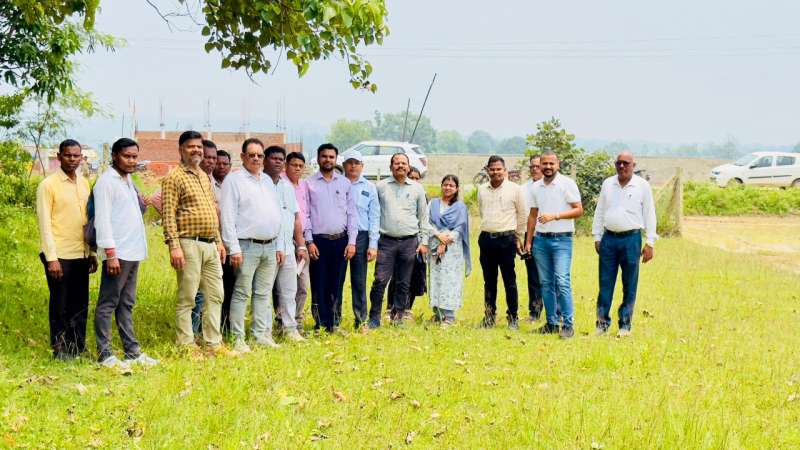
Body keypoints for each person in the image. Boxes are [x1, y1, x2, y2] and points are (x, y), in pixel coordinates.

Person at [161, 130, 233, 358]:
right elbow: (168, 215)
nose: (196, 150)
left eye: (199, 147)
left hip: (210, 244)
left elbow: (212, 210)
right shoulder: (174, 177)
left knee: (215, 295)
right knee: (188, 297)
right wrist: (174, 246)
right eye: (191, 146)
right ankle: (186, 344)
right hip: (188, 244)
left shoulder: (203, 176)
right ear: (181, 149)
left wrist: (219, 242)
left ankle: (213, 343)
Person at [92, 138, 158, 368]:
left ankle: (132, 352)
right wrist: (110, 254)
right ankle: (105, 355)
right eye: (126, 156)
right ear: (114, 156)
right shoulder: (106, 182)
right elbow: (102, 221)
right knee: (108, 303)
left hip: (133, 251)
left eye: (134, 157)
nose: (131, 161)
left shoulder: (128, 180)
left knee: (126, 303)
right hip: (117, 253)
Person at [220, 138, 285, 352]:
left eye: (259, 155)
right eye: (252, 155)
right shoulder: (234, 180)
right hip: (246, 246)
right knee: (242, 293)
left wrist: (279, 246)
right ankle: (238, 339)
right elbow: (227, 217)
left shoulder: (266, 180)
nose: (256, 158)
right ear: (242, 157)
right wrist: (233, 248)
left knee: (263, 293)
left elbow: (277, 214)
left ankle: (260, 335)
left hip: (270, 245)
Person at [36, 139, 98, 360]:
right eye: (68, 155)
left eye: (76, 155)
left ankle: (77, 347)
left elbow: (88, 221)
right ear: (59, 156)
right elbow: (44, 224)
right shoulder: (48, 185)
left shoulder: (84, 183)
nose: (72, 159)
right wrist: (51, 259)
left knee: (80, 304)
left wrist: (92, 252)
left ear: (82, 158)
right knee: (60, 304)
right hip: (59, 255)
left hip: (81, 253)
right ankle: (60, 348)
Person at [592, 151, 657, 337]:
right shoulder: (608, 184)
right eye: (618, 163)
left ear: (633, 165)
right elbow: (600, 210)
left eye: (626, 163)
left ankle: (625, 325)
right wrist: (597, 236)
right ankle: (602, 324)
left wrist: (650, 242)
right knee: (605, 283)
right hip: (609, 239)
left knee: (629, 283)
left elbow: (649, 214)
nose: (622, 166)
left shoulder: (642, 186)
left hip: (631, 240)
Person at [524, 150, 584, 339]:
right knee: (545, 283)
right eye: (545, 163)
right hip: (541, 240)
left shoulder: (567, 184)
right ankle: (551, 323)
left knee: (562, 281)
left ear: (558, 164)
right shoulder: (536, 187)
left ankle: (568, 324)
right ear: (540, 165)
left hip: (562, 240)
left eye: (552, 163)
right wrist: (529, 241)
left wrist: (555, 216)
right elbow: (533, 215)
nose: (548, 167)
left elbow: (579, 210)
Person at [368, 153, 430, 328]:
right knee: (380, 280)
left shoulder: (417, 189)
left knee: (404, 282)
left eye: (404, 163)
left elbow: (423, 217)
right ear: (391, 167)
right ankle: (374, 318)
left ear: (408, 167)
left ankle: (399, 316)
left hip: (409, 242)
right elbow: (374, 215)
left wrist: (424, 242)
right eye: (397, 163)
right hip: (386, 242)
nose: (400, 166)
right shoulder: (380, 187)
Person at [304, 143, 358, 333]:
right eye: (324, 156)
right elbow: (305, 214)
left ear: (336, 159)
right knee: (319, 283)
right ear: (318, 158)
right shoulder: (309, 183)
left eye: (331, 157)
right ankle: (320, 324)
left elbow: (352, 214)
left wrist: (351, 242)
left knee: (337, 282)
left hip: (340, 241)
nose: (328, 160)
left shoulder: (345, 183)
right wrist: (309, 241)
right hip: (318, 242)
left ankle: (334, 323)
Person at [476, 155, 527, 330]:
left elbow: (522, 215)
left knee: (509, 280)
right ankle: (489, 317)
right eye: (492, 169)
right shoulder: (482, 189)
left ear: (505, 170)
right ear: (487, 171)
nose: (495, 172)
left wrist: (518, 237)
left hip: (507, 240)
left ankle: (513, 318)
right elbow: (482, 211)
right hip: (486, 239)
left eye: (499, 169)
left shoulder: (515, 189)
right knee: (489, 281)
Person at [263, 145, 306, 342]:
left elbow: (295, 217)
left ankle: (290, 329)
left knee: (290, 291)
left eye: (281, 159)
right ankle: (264, 331)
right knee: (264, 292)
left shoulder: (287, 187)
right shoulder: (260, 184)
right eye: (274, 158)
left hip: (288, 247)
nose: (278, 162)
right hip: (268, 246)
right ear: (265, 160)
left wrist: (301, 245)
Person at [337, 149, 380, 330]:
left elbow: (374, 216)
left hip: (362, 237)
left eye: (357, 163)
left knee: (359, 280)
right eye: (350, 163)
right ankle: (334, 320)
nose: (353, 166)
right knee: (337, 279)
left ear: (362, 166)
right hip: (340, 236)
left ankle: (361, 320)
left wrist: (373, 244)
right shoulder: (337, 183)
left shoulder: (369, 187)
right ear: (344, 165)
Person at [427, 175, 471, 325]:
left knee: (450, 280)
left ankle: (449, 317)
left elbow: (460, 227)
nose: (448, 188)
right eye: (445, 184)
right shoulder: (433, 203)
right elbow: (426, 222)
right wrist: (438, 236)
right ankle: (438, 314)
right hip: (434, 245)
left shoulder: (460, 207)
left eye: (451, 185)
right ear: (441, 185)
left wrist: (445, 241)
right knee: (436, 278)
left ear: (457, 188)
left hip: (452, 249)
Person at [386, 167, 427, 317]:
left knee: (414, 276)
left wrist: (423, 241)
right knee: (397, 275)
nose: (415, 181)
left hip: (417, 242)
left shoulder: (422, 195)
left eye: (417, 178)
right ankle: (391, 307)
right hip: (401, 240)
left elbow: (424, 220)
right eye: (412, 178)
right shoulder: (398, 196)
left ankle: (407, 308)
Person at [190, 139, 220, 337]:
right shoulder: (187, 177)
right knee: (194, 293)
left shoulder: (208, 180)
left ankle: (207, 335)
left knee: (212, 292)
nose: (210, 161)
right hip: (192, 242)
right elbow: (159, 199)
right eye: (207, 157)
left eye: (213, 158)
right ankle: (191, 334)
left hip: (212, 242)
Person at [282, 152, 310, 332]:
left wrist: (306, 242)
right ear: (286, 165)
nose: (297, 168)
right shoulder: (281, 184)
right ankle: (282, 321)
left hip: (303, 241)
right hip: (286, 239)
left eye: (301, 166)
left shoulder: (304, 186)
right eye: (294, 165)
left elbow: (306, 214)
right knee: (285, 285)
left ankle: (297, 321)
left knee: (302, 284)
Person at [213, 149, 235, 334]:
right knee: (213, 289)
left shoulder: (234, 184)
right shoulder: (207, 183)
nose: (221, 166)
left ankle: (226, 325)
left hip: (231, 246)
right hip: (211, 244)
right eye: (217, 163)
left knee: (230, 287)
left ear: (230, 165)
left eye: (224, 164)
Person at [522, 155, 545, 322]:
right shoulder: (524, 189)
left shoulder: (552, 186)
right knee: (533, 276)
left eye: (538, 166)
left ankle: (557, 312)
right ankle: (534, 312)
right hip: (529, 236)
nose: (535, 169)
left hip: (549, 236)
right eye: (532, 166)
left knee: (553, 276)